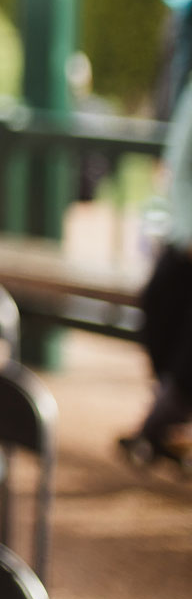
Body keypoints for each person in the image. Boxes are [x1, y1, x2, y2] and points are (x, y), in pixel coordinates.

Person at [123, 72, 192, 469]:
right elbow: (180, 164)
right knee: (159, 298)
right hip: (187, 235)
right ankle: (172, 412)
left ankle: (164, 417)